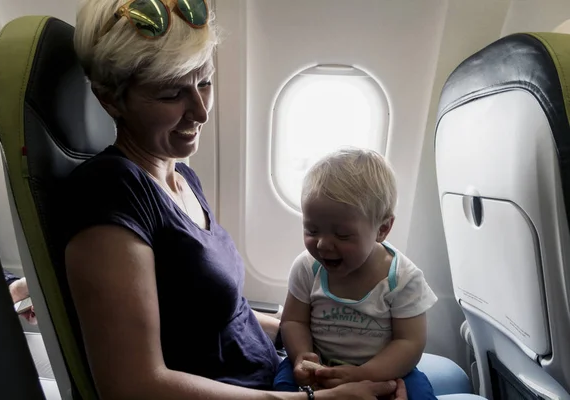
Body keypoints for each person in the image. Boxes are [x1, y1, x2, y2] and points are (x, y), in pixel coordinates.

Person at [59, 0, 410, 399]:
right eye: (173, 92)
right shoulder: (108, 193)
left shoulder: (181, 177)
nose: (201, 110)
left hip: (274, 374)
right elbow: (134, 386)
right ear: (111, 99)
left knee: (442, 375)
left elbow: (220, 313)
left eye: (204, 82)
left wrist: (319, 343)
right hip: (258, 391)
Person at [273, 149, 438, 400]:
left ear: (382, 229)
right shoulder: (307, 268)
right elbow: (294, 321)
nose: (323, 245)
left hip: (384, 370)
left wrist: (365, 373)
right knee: (283, 385)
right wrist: (302, 355)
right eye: (312, 229)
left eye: (342, 235)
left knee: (419, 392)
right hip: (321, 366)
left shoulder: (403, 279)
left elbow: (409, 343)